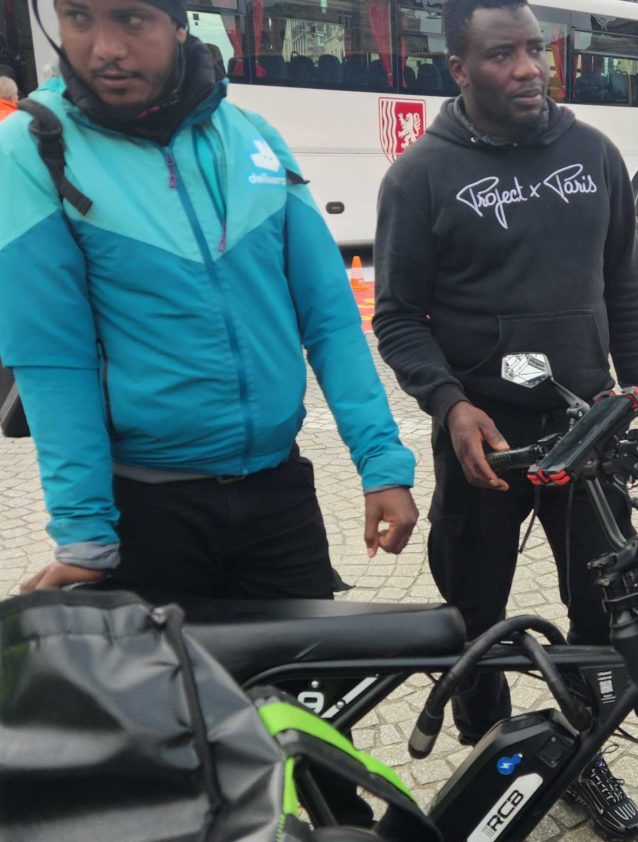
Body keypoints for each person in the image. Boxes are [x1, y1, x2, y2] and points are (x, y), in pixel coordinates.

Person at [0, 0, 418, 602]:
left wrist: (380, 461)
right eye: (78, 18)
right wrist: (85, 531)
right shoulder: (34, 148)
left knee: (300, 698)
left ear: (179, 23)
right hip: (145, 509)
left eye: (130, 19)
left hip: (279, 492)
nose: (104, 47)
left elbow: (328, 316)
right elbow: (51, 358)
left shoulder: (256, 138)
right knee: (175, 698)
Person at [372, 0, 638, 842]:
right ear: (459, 69)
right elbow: (396, 316)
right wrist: (448, 401)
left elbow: (625, 286)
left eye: (537, 49)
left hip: (588, 428)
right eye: (503, 54)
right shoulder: (420, 176)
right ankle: (495, 743)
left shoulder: (595, 155)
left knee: (598, 609)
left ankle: (580, 756)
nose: (530, 68)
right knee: (473, 609)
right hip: (484, 440)